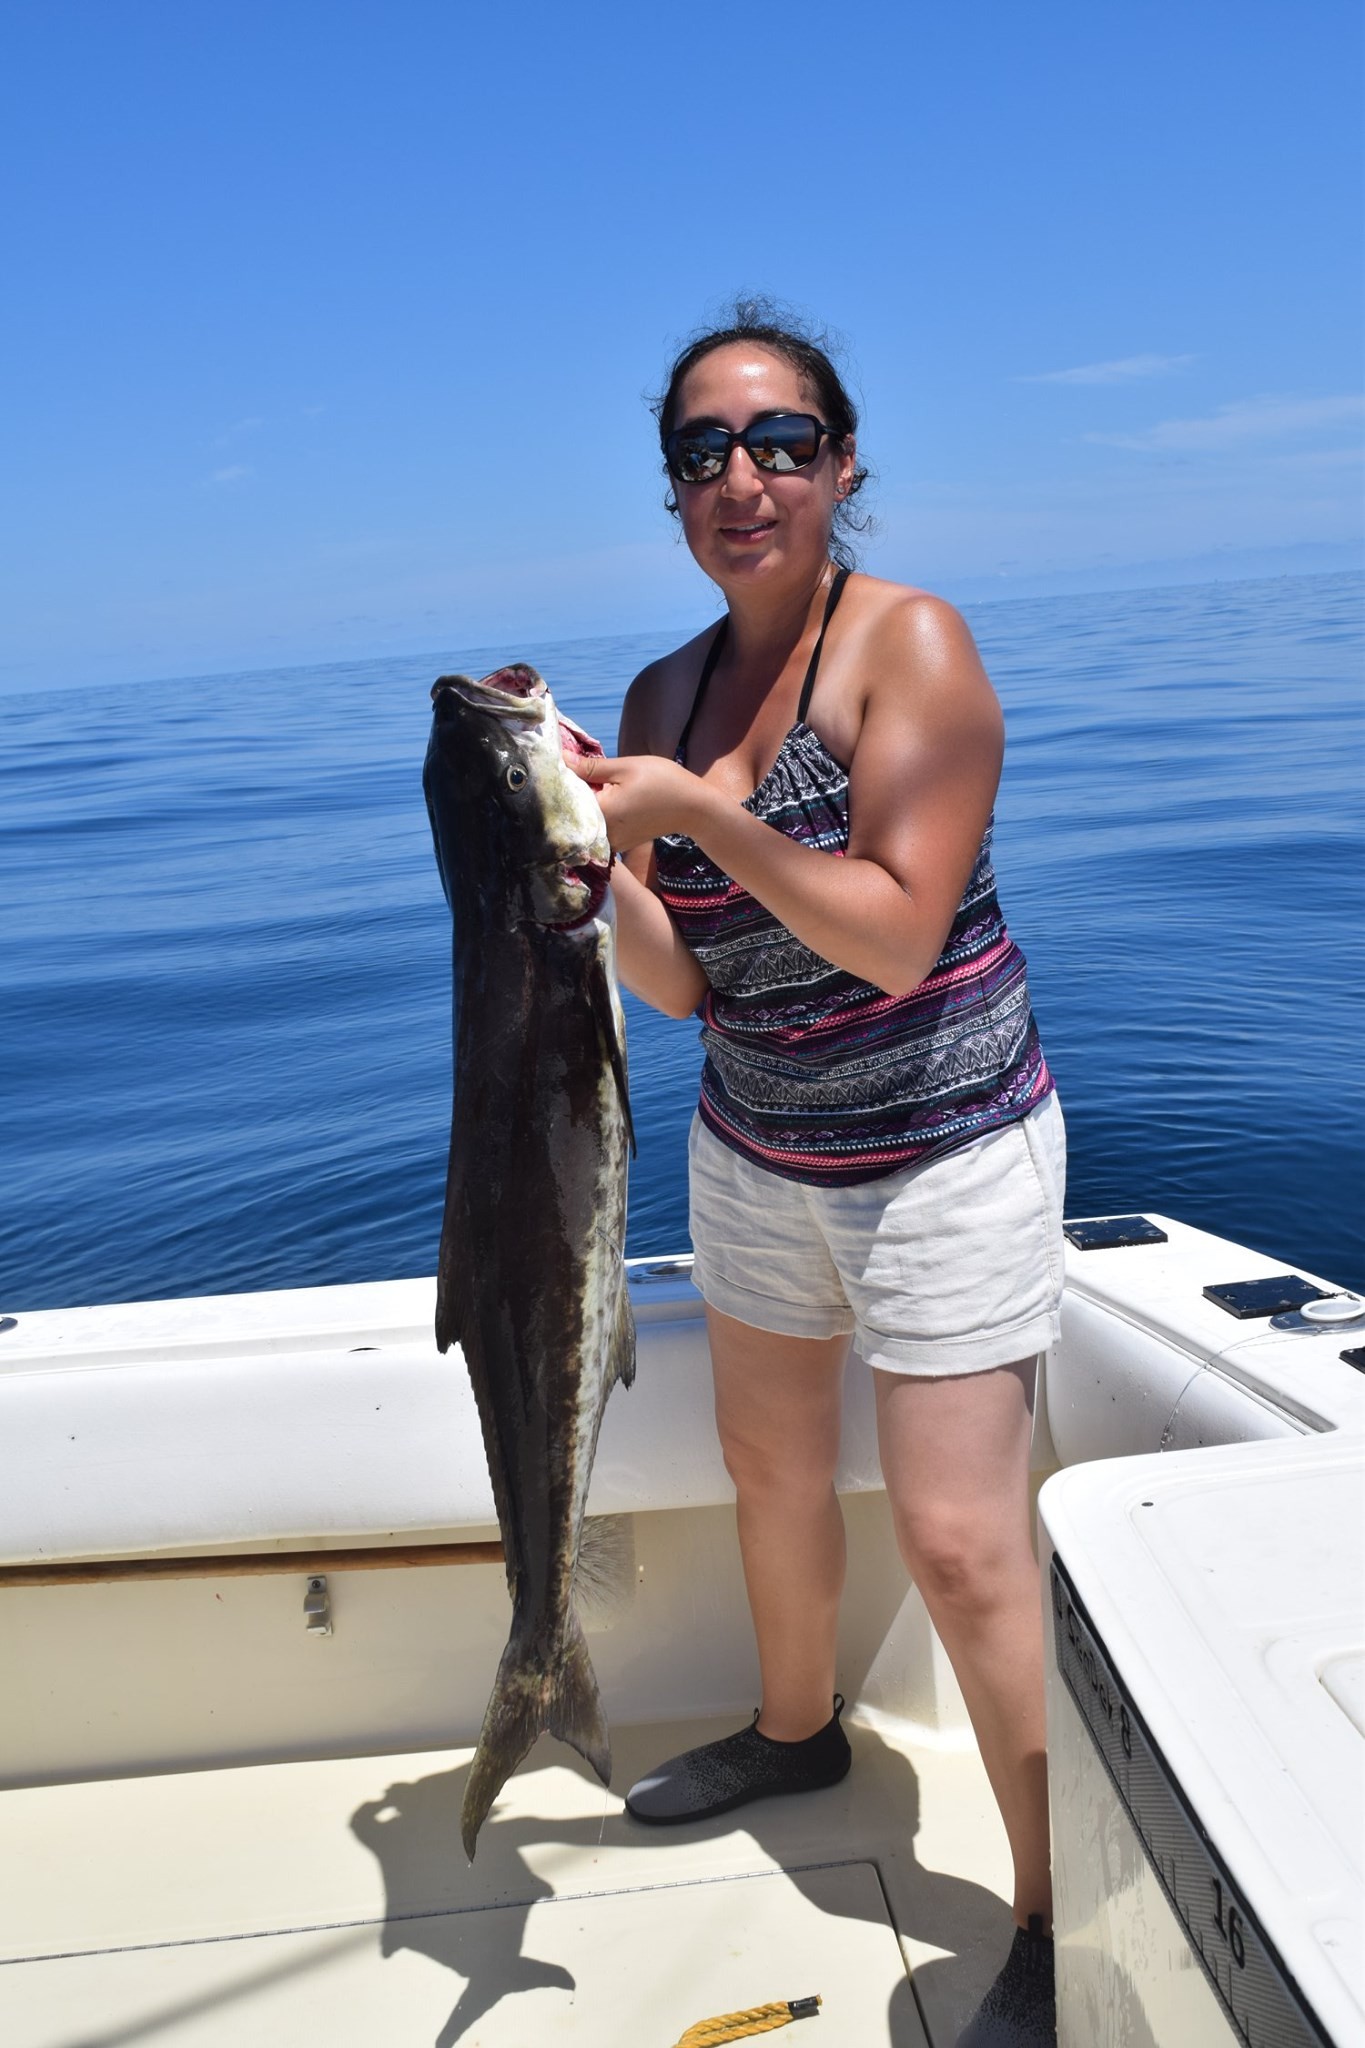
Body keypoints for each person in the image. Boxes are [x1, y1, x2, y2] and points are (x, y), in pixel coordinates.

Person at [570, 304, 1064, 2046]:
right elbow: (686, 986)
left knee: (954, 1540)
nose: (741, 478)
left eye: (778, 441)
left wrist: (697, 821)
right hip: (756, 1150)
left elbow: (888, 934)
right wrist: (589, 864)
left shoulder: (906, 647)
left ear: (842, 466)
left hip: (943, 1154)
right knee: (766, 1473)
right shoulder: (660, 695)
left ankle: (1051, 1911)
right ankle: (798, 1734)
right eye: (700, 451)